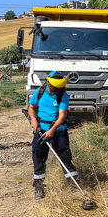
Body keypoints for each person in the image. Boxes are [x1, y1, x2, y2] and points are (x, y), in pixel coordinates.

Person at [28, 71, 75, 200]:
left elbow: (62, 116)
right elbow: (31, 107)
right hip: (41, 131)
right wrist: (33, 121)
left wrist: (52, 130)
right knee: (39, 159)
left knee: (65, 158)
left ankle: (73, 184)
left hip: (59, 131)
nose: (55, 91)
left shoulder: (63, 95)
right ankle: (39, 186)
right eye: (54, 88)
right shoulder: (40, 92)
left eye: (58, 88)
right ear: (48, 83)